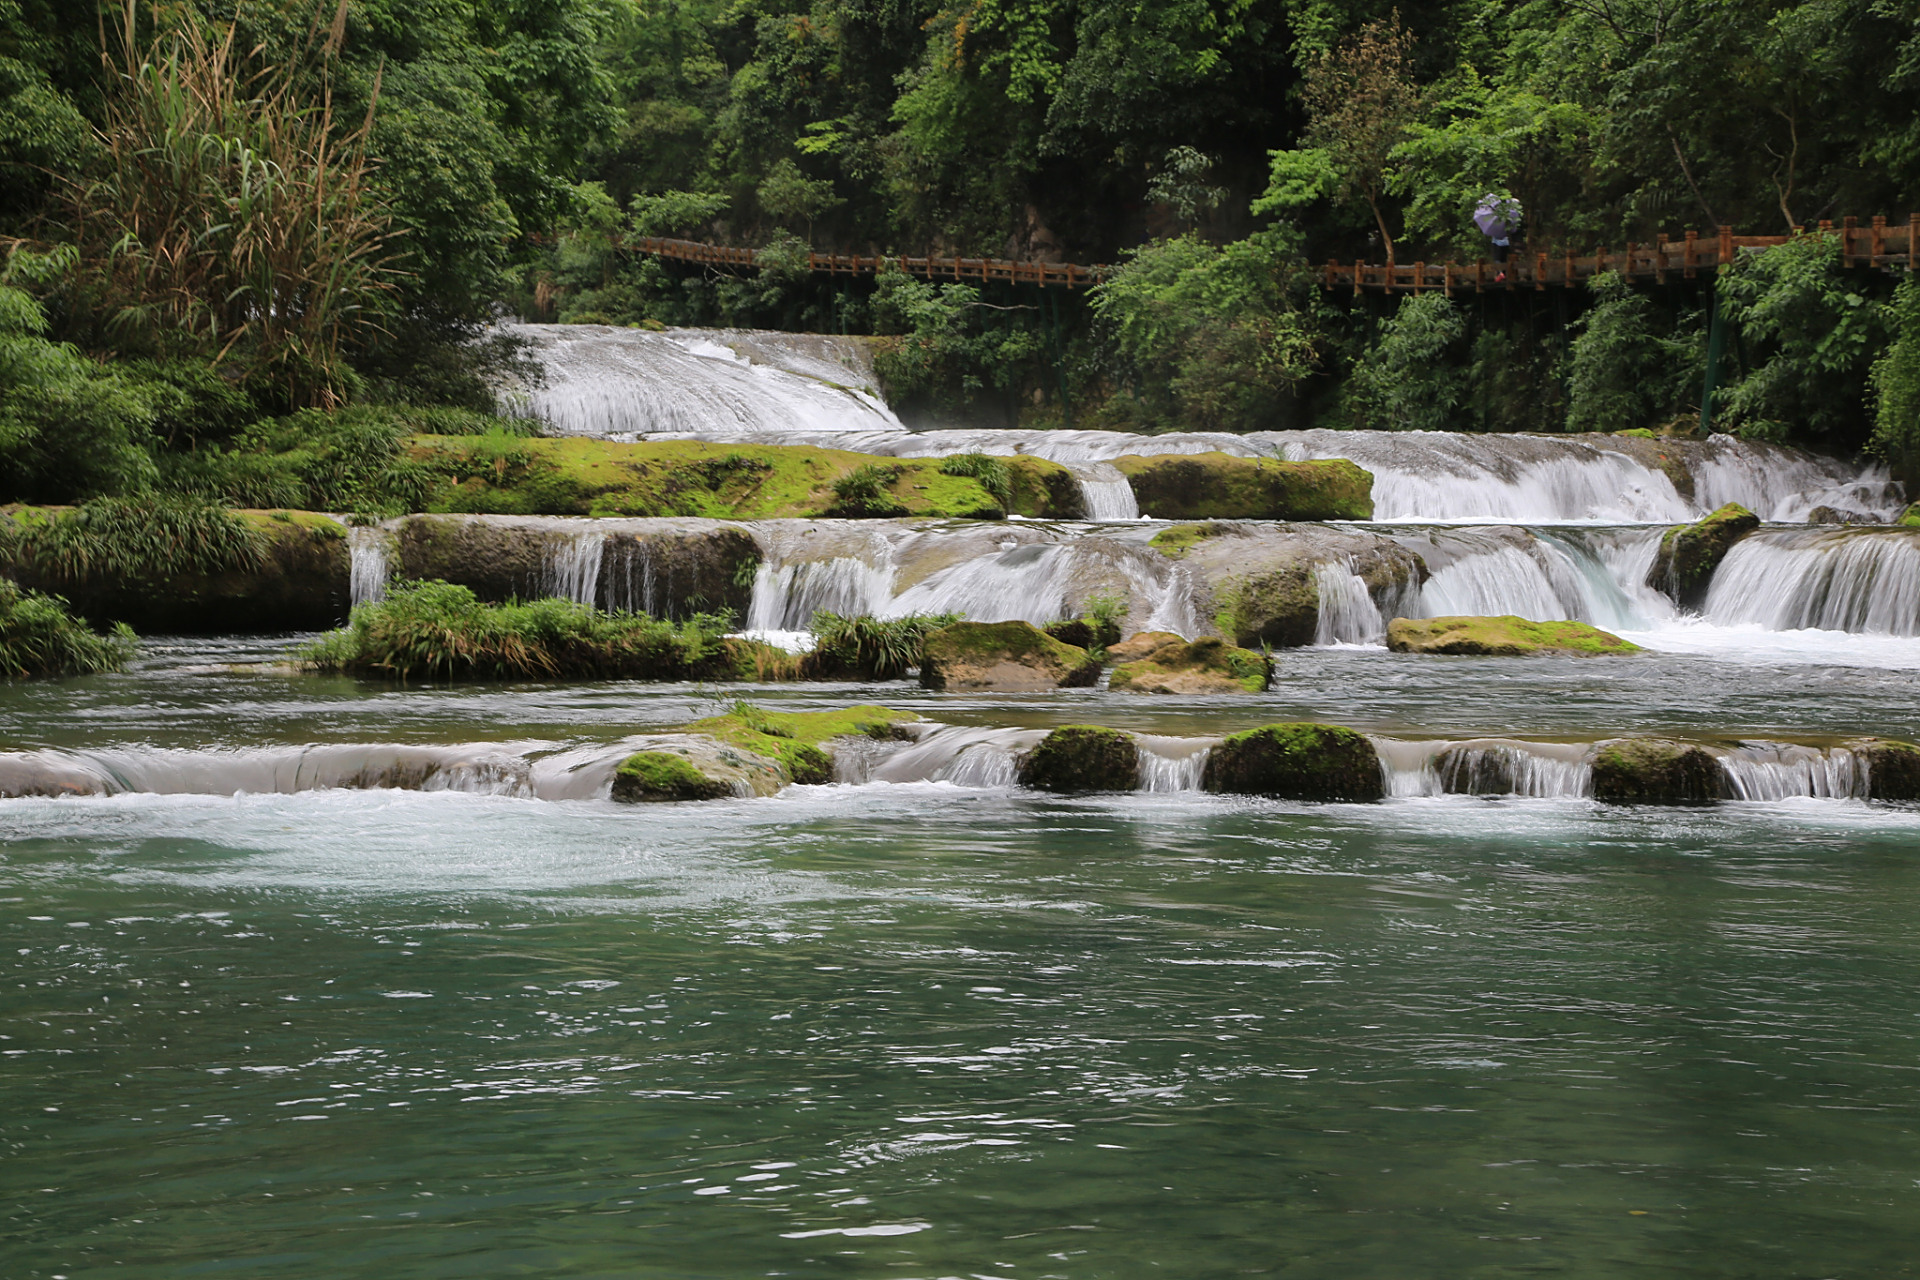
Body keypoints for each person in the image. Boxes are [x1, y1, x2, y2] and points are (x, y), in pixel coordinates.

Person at [1475, 193, 1522, 281]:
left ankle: (1500, 273)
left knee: (1497, 257)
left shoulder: (1496, 215)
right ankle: (1503, 273)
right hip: (1505, 240)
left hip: (1497, 240)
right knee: (1504, 257)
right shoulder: (1511, 215)